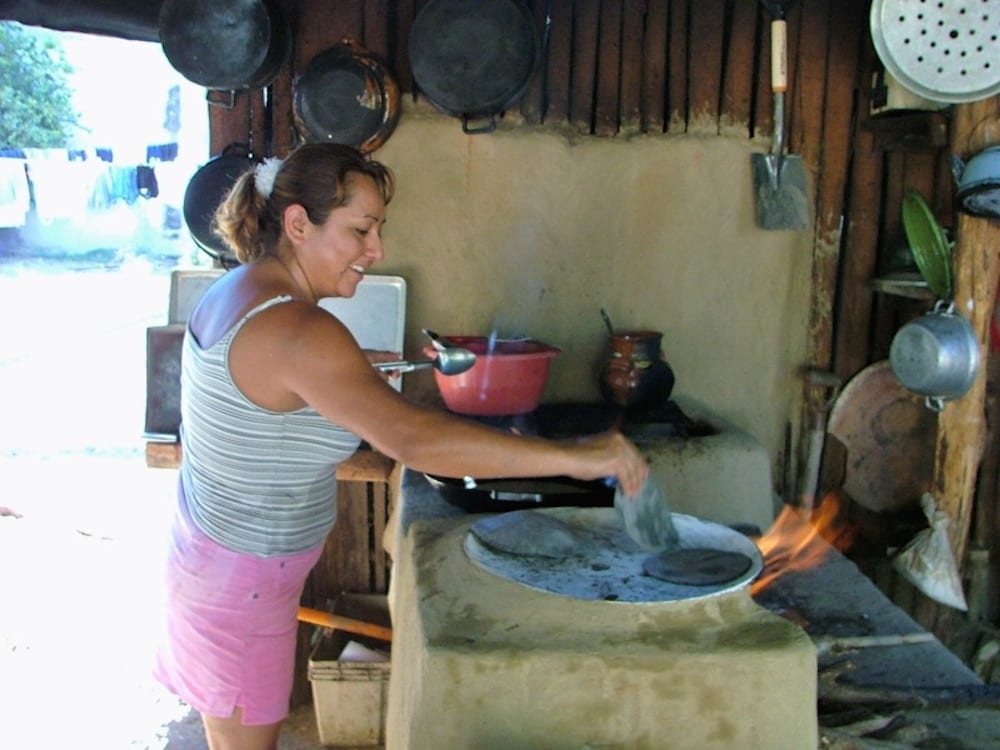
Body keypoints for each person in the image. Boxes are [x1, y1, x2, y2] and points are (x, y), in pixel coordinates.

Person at [153, 142, 649, 750]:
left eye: (379, 229)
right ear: (298, 223)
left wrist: (359, 369)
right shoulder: (301, 329)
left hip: (213, 559)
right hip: (241, 586)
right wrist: (581, 456)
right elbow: (414, 440)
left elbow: (269, 389)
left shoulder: (241, 288)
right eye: (361, 229)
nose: (376, 250)